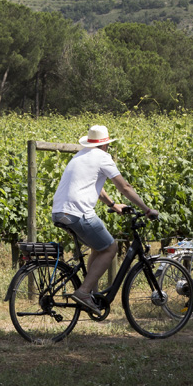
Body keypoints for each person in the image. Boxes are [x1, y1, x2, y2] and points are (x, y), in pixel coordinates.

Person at [51, 125, 159, 310]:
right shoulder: (102, 157)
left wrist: (112, 205)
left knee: (98, 247)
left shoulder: (79, 157)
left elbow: (95, 187)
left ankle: (90, 294)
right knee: (110, 248)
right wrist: (147, 209)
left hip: (60, 211)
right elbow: (124, 186)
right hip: (78, 212)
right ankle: (84, 292)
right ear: (105, 145)